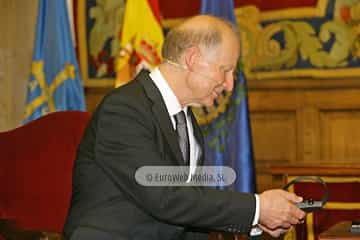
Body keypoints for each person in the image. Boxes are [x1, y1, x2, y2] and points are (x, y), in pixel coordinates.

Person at [63, 15, 305, 240]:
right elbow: (164, 196)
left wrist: (253, 220)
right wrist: (257, 208)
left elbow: (188, 209)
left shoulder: (186, 120)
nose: (230, 85)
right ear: (193, 59)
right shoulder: (124, 109)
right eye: (225, 70)